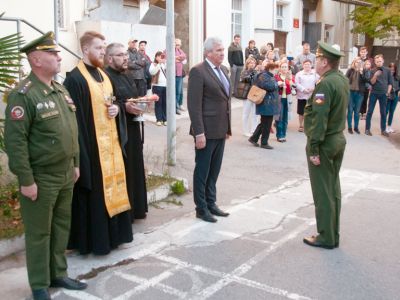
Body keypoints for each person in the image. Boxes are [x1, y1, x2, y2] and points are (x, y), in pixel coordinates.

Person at [4, 32, 87, 300]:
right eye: (53, 53)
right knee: (39, 232)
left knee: (62, 226)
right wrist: (26, 180)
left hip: (65, 173)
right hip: (40, 177)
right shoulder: (23, 95)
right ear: (36, 59)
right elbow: (16, 143)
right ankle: (39, 284)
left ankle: (58, 273)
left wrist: (75, 163)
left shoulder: (59, 89)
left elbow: (71, 130)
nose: (59, 56)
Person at [64, 31, 133, 255]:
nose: (103, 52)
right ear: (85, 50)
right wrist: (81, 156)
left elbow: (111, 103)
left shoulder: (104, 75)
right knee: (93, 195)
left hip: (110, 146)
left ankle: (114, 237)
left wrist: (116, 110)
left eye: (104, 48)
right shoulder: (75, 79)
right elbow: (74, 121)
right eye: (98, 48)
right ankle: (95, 242)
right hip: (92, 149)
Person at [303, 41, 349, 249]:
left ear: (324, 62)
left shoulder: (325, 84)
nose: (315, 63)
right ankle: (333, 233)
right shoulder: (341, 79)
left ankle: (326, 237)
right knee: (333, 190)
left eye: (318, 60)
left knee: (323, 192)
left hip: (324, 143)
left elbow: (319, 119)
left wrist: (313, 149)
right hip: (337, 139)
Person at [105, 43, 151, 220]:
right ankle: (126, 214)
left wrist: (141, 103)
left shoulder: (127, 75)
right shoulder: (106, 77)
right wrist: (125, 107)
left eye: (126, 54)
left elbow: (131, 98)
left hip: (133, 128)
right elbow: (108, 104)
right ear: (110, 58)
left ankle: (137, 208)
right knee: (125, 171)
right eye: (121, 55)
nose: (126, 58)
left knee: (135, 168)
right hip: (119, 132)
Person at [187, 36, 231, 223]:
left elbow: (225, 101)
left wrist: (227, 128)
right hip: (205, 131)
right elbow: (194, 106)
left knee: (214, 170)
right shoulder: (198, 71)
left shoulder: (224, 70)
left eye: (223, 50)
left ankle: (212, 203)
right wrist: (199, 133)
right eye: (218, 50)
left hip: (220, 130)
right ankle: (201, 207)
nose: (222, 53)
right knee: (203, 170)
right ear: (208, 53)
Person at [248, 61, 280, 149]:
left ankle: (254, 138)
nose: (277, 72)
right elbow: (268, 86)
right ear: (270, 69)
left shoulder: (268, 75)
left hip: (268, 103)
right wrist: (277, 84)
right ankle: (264, 142)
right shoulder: (263, 76)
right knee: (266, 124)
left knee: (264, 123)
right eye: (276, 70)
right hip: (266, 103)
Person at [365, 54, 393, 137]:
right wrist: (375, 75)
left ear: (383, 61)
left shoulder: (387, 70)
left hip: (383, 94)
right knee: (370, 112)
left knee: (383, 113)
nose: (379, 63)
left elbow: (390, 83)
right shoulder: (372, 70)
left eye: (380, 61)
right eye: (377, 62)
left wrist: (388, 92)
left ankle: (383, 130)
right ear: (375, 62)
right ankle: (367, 129)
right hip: (374, 93)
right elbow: (372, 83)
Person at [345, 57, 371, 134]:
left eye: (360, 63)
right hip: (351, 92)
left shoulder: (365, 71)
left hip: (360, 93)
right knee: (350, 110)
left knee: (357, 111)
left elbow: (367, 80)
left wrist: (361, 72)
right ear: (354, 63)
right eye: (357, 62)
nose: (358, 64)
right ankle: (349, 127)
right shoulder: (350, 70)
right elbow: (346, 79)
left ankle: (356, 127)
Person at [295, 59, 319, 132]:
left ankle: (309, 125)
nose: (307, 66)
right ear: (303, 65)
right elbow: (296, 83)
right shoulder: (299, 74)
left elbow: (319, 82)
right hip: (302, 95)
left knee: (311, 111)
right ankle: (301, 125)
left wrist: (313, 89)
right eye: (305, 64)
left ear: (311, 65)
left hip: (311, 95)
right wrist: (303, 89)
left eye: (308, 64)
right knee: (301, 111)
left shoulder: (315, 74)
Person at [275, 60, 295, 142]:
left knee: (285, 118)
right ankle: (279, 135)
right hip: (279, 99)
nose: (284, 68)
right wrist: (279, 84)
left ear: (288, 68)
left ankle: (283, 134)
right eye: (282, 67)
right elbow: (274, 87)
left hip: (288, 99)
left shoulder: (290, 77)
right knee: (279, 117)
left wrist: (290, 82)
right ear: (280, 68)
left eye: (285, 67)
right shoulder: (276, 77)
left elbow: (293, 88)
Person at [240, 56, 259, 136]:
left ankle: (254, 129)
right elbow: (245, 79)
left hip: (255, 94)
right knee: (246, 113)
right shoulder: (244, 72)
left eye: (253, 63)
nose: (252, 64)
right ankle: (245, 130)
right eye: (250, 63)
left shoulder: (256, 72)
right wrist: (251, 72)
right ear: (247, 64)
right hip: (247, 94)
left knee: (255, 113)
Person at [150, 51, 167, 126]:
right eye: (160, 56)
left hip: (165, 86)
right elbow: (152, 72)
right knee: (158, 103)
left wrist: (164, 62)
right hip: (157, 86)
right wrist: (159, 64)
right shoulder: (153, 64)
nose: (161, 58)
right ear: (156, 57)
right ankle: (159, 119)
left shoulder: (165, 64)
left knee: (165, 103)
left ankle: (165, 119)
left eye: (162, 56)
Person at [386, 62, 400, 133]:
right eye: (390, 67)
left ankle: (389, 126)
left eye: (393, 68)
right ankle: (384, 127)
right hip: (388, 96)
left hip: (395, 96)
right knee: (386, 111)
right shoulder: (386, 76)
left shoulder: (397, 77)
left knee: (392, 112)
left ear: (395, 69)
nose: (392, 69)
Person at [175, 38, 187, 113]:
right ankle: (176, 106)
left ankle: (179, 104)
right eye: (176, 44)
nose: (177, 46)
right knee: (175, 91)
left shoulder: (180, 51)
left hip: (180, 74)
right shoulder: (171, 50)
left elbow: (185, 59)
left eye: (179, 45)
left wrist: (178, 59)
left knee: (180, 91)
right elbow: (171, 58)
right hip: (173, 74)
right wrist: (179, 59)